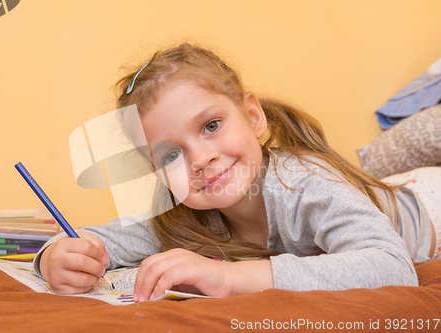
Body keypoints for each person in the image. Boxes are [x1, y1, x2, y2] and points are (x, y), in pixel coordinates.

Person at [34, 42, 441, 303]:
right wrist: (53, 256)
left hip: (428, 204)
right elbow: (105, 240)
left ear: (252, 117)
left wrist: (228, 277)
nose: (199, 159)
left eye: (211, 126)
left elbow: (392, 266)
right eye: (170, 156)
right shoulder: (186, 212)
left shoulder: (303, 183)